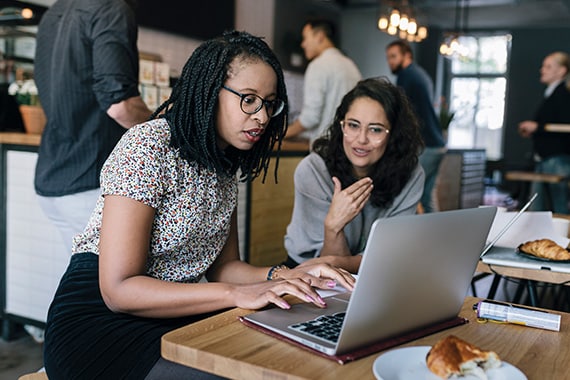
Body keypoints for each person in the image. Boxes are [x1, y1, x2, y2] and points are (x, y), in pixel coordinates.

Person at [42, 30, 355, 380]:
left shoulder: (223, 166)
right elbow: (119, 290)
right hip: (99, 326)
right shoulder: (148, 146)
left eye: (269, 103)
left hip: (173, 315)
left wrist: (286, 275)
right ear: (209, 92)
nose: (263, 117)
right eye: (249, 99)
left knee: (283, 356)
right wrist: (238, 293)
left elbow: (226, 267)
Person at [33, 0, 153, 253]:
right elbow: (118, 104)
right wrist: (164, 129)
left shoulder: (55, 11)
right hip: (92, 182)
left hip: (54, 176)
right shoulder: (111, 9)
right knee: (109, 288)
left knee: (83, 283)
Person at [284, 78, 425, 274]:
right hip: (306, 275)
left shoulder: (411, 174)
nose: (361, 140)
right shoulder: (313, 171)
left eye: (375, 129)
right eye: (353, 125)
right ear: (342, 126)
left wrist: (364, 260)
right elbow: (329, 271)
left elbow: (390, 256)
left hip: (373, 274)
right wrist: (333, 227)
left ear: (393, 134)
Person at [385, 39, 446, 213]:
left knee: (408, 195)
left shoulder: (406, 76)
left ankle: (415, 237)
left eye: (394, 56)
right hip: (437, 144)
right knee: (427, 197)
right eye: (388, 57)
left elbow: (399, 112)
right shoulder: (421, 74)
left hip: (426, 145)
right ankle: (437, 236)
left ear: (407, 55)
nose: (390, 61)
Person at [284, 18, 361, 145]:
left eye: (306, 38)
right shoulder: (351, 65)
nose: (303, 44)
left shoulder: (318, 65)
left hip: (325, 147)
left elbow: (310, 118)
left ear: (320, 36)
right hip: (349, 145)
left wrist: (282, 134)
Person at [518, 51, 570, 213]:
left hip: (557, 159)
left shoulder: (564, 94)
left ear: (561, 71)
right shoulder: (553, 93)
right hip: (545, 158)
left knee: (559, 208)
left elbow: (565, 124)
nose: (542, 70)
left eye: (548, 66)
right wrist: (535, 130)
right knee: (537, 208)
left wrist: (538, 127)